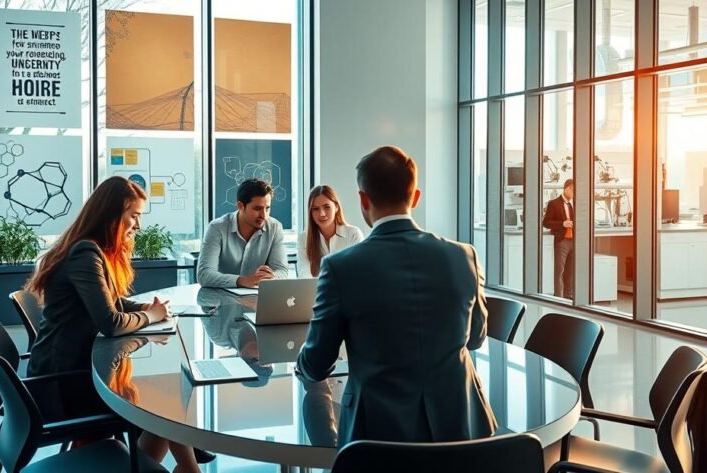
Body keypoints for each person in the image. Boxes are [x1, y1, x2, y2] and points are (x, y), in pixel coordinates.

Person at [296, 145, 496, 446]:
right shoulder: (463, 256)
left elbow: (316, 364)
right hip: (459, 432)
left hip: (376, 440)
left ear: (363, 200)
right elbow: (477, 338)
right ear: (415, 197)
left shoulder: (340, 267)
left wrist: (300, 362)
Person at [25, 176, 200, 472]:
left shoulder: (88, 248)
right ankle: (189, 469)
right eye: (134, 216)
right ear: (111, 214)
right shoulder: (85, 253)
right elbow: (110, 322)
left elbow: (110, 301)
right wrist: (152, 316)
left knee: (163, 400)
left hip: (66, 370)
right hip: (63, 386)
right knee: (164, 401)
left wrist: (144, 307)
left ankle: (177, 467)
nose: (139, 225)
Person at [197, 178, 290, 288]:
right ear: (240, 206)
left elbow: (282, 270)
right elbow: (204, 275)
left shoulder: (274, 228)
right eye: (257, 208)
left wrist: (272, 277)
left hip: (257, 300)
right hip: (221, 300)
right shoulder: (217, 228)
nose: (264, 215)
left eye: (267, 208)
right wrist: (242, 281)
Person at [297, 185, 365, 278]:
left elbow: (359, 271)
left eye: (327, 207)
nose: (322, 214)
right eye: (315, 209)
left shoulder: (353, 234)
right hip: (316, 291)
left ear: (336, 207)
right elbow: (304, 274)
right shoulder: (303, 238)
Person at [542, 178, 575, 299]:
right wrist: (562, 223)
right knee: (559, 272)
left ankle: (569, 298)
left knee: (570, 273)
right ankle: (559, 299)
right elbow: (545, 222)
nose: (574, 195)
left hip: (573, 241)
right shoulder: (553, 203)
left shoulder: (573, 204)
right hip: (562, 242)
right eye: (573, 191)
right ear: (567, 189)